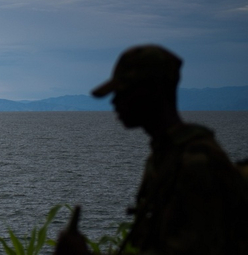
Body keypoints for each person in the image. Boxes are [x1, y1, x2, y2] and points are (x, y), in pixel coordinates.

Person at [55, 45, 247, 255]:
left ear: (152, 92)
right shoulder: (167, 155)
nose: (115, 101)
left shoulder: (197, 163)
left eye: (124, 91)